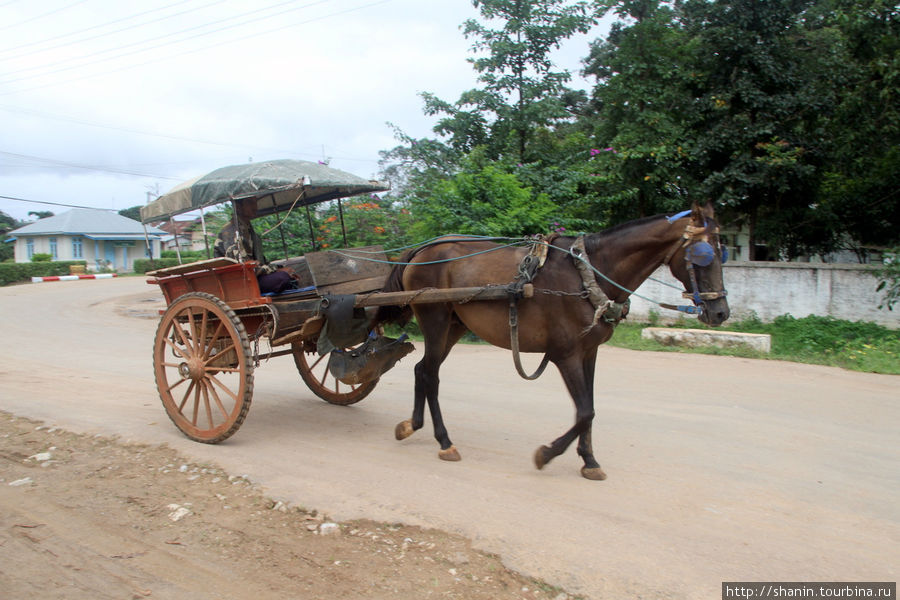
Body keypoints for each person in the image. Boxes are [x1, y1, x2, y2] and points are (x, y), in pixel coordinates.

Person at [213, 198, 294, 294]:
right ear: (238, 207)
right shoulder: (231, 232)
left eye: (255, 203)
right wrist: (276, 270)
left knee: (290, 275)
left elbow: (260, 262)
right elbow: (244, 268)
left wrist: (279, 268)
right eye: (250, 203)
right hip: (240, 282)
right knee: (283, 278)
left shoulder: (248, 229)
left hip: (254, 277)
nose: (255, 207)